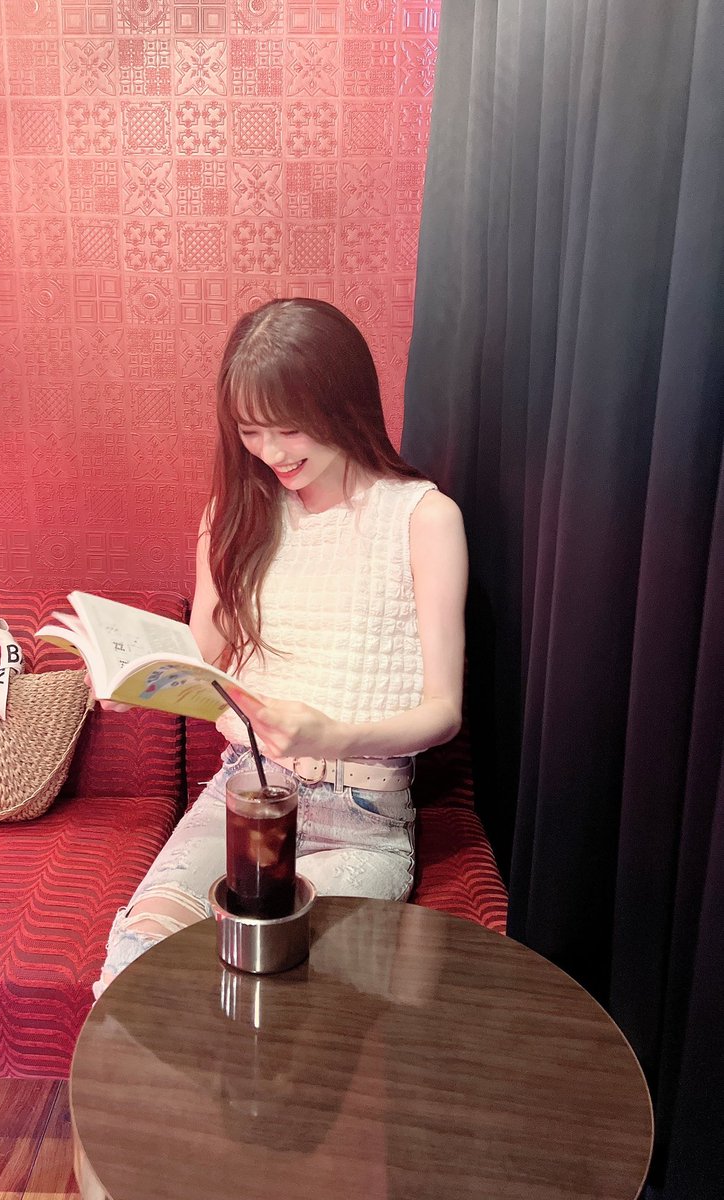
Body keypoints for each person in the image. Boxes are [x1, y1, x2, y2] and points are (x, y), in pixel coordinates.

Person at [93, 298, 467, 998]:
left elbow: (444, 712)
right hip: (245, 793)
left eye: (289, 429)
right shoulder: (234, 516)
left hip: (362, 822)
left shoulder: (423, 518)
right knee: (138, 962)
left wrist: (335, 735)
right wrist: (133, 679)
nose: (271, 453)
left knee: (278, 980)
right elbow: (204, 657)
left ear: (343, 404)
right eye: (251, 432)